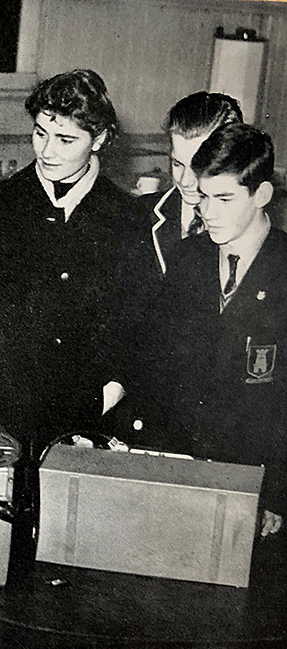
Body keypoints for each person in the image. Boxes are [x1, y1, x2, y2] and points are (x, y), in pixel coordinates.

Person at [0, 69, 153, 455]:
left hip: (87, 426)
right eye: (40, 134)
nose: (46, 152)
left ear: (99, 139)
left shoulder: (129, 221)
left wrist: (105, 398)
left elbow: (137, 326)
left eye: (65, 140)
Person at [150, 123, 285, 540]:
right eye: (205, 197)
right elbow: (162, 374)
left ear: (261, 195)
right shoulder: (187, 259)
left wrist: (276, 498)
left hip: (258, 489)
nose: (208, 212)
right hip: (183, 476)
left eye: (225, 198)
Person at [138, 92, 243, 276]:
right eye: (177, 164)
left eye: (198, 167)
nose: (185, 181)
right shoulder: (138, 214)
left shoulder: (250, 229)